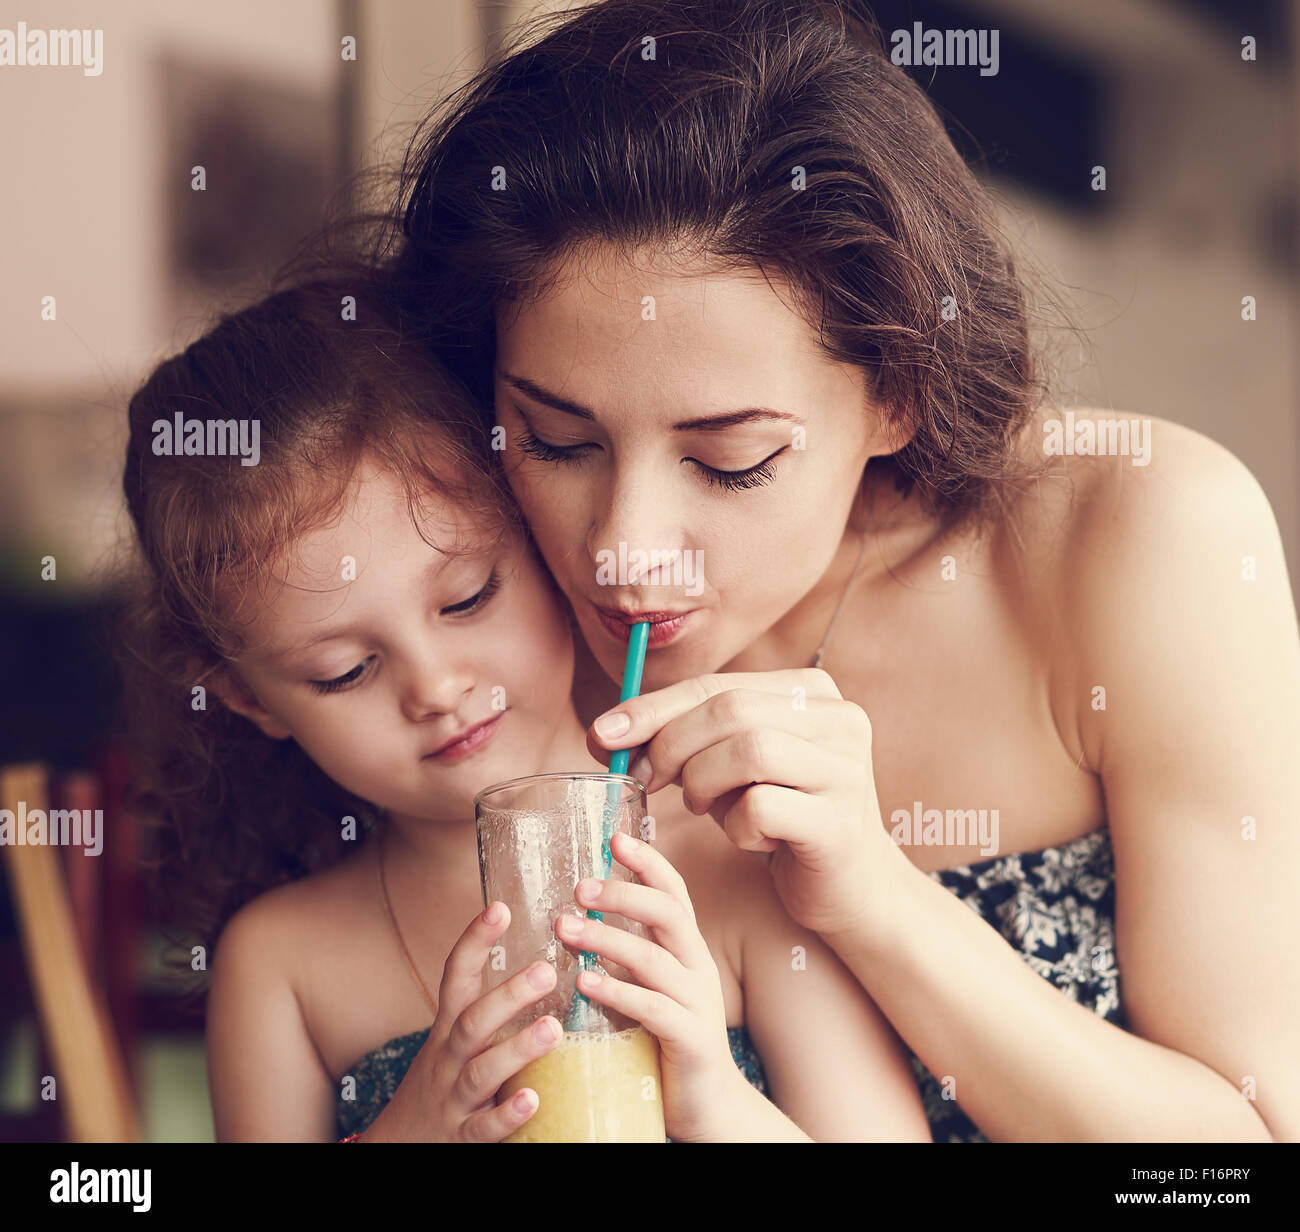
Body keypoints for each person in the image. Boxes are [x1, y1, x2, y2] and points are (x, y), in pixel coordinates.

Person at [394, 0, 1300, 1140]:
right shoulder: (469, 603)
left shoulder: (1141, 535)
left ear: (896, 391)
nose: (622, 545)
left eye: (732, 459)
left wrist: (875, 894)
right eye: (558, 441)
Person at [118, 274, 931, 1142]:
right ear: (249, 697)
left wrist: (712, 1097)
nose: (435, 687)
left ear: (542, 535)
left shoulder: (742, 867)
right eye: (345, 670)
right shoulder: (282, 962)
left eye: (468, 599)